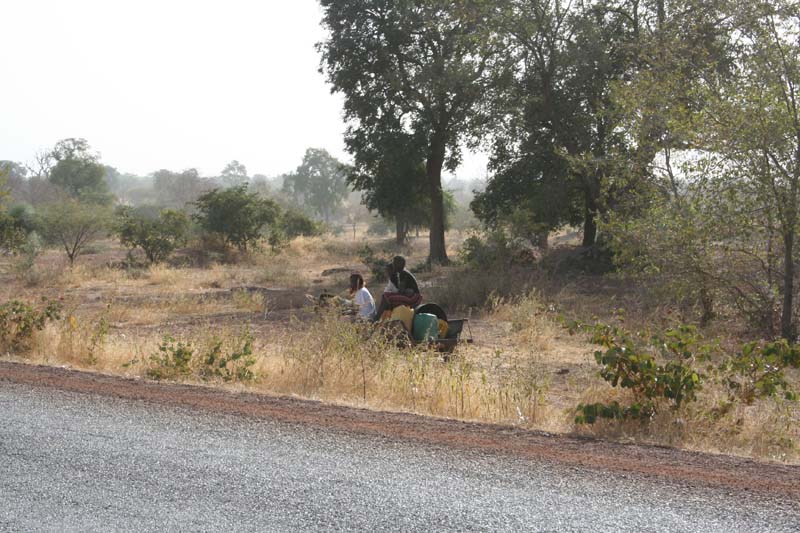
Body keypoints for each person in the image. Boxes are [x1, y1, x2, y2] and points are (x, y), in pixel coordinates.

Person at [373, 255, 422, 320]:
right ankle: (380, 318)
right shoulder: (401, 273)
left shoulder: (403, 274)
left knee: (387, 297)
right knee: (386, 296)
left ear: (399, 265)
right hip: (412, 296)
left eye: (394, 263)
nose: (393, 265)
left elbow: (401, 291)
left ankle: (377, 318)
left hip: (414, 298)